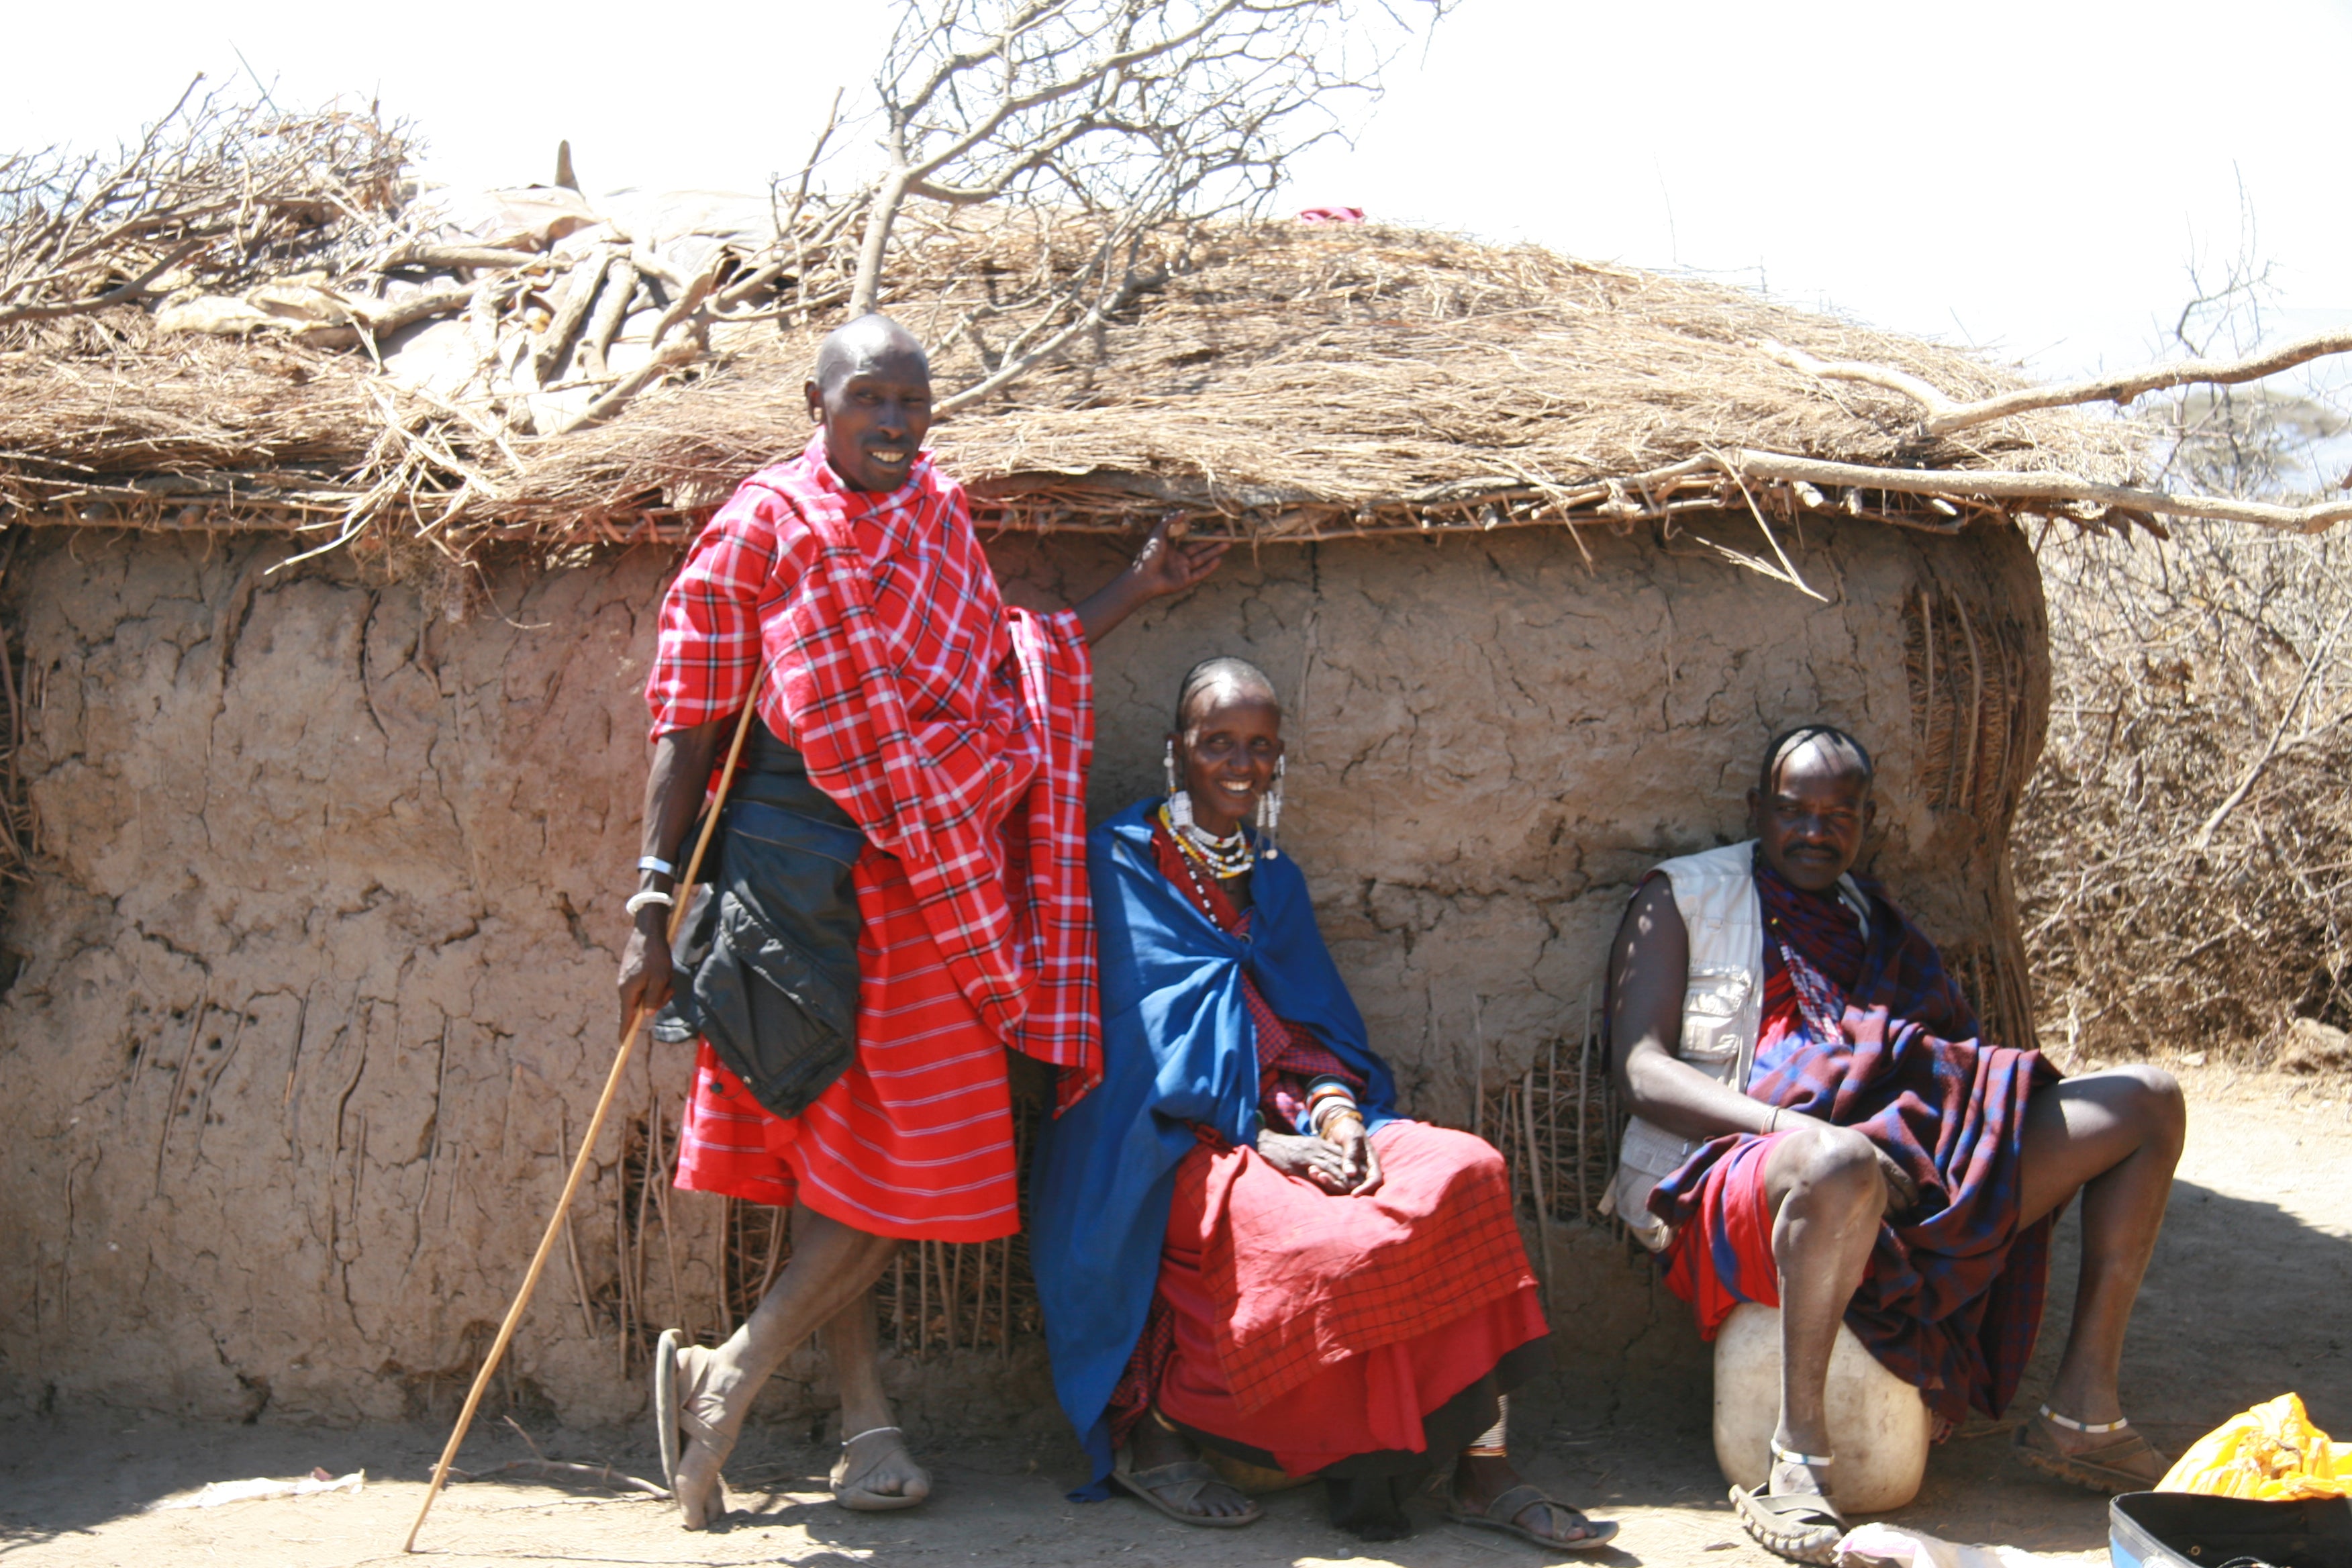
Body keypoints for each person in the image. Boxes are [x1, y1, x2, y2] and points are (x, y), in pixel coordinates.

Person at [618, 314, 1226, 1530]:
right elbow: (688, 720)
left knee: (918, 1156)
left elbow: (1002, 668)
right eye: (870, 403)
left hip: (934, 876)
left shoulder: (936, 515)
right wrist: (651, 903)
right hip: (798, 887)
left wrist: (1129, 590)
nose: (895, 426)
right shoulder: (762, 530)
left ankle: (725, 1372)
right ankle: (857, 1420)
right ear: (817, 402)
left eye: (913, 405)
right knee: (838, 1158)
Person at [1032, 657, 1616, 1550]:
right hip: (1172, 1143)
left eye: (1260, 747)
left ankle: (1483, 1464)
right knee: (1321, 1243)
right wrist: (1264, 1140)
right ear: (1174, 751)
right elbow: (1134, 1050)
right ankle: (1165, 1439)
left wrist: (1337, 1118)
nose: (1239, 764)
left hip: (1303, 1117)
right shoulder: (1119, 865)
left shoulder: (1274, 875)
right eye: (1217, 742)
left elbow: (1317, 1031)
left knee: (1468, 1171)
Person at [1605, 724, 2186, 1564]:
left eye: (1840, 814)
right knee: (1839, 1163)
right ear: (1756, 811)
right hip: (1736, 1168)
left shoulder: (1875, 922)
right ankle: (1798, 1460)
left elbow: (1941, 1059)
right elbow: (1641, 1072)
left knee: (2148, 1101)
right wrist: (1808, 1129)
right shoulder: (1685, 896)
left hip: (1902, 1164)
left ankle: (2082, 1411)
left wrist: (1934, 1112)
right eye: (1794, 810)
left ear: (1866, 820)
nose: (1816, 830)